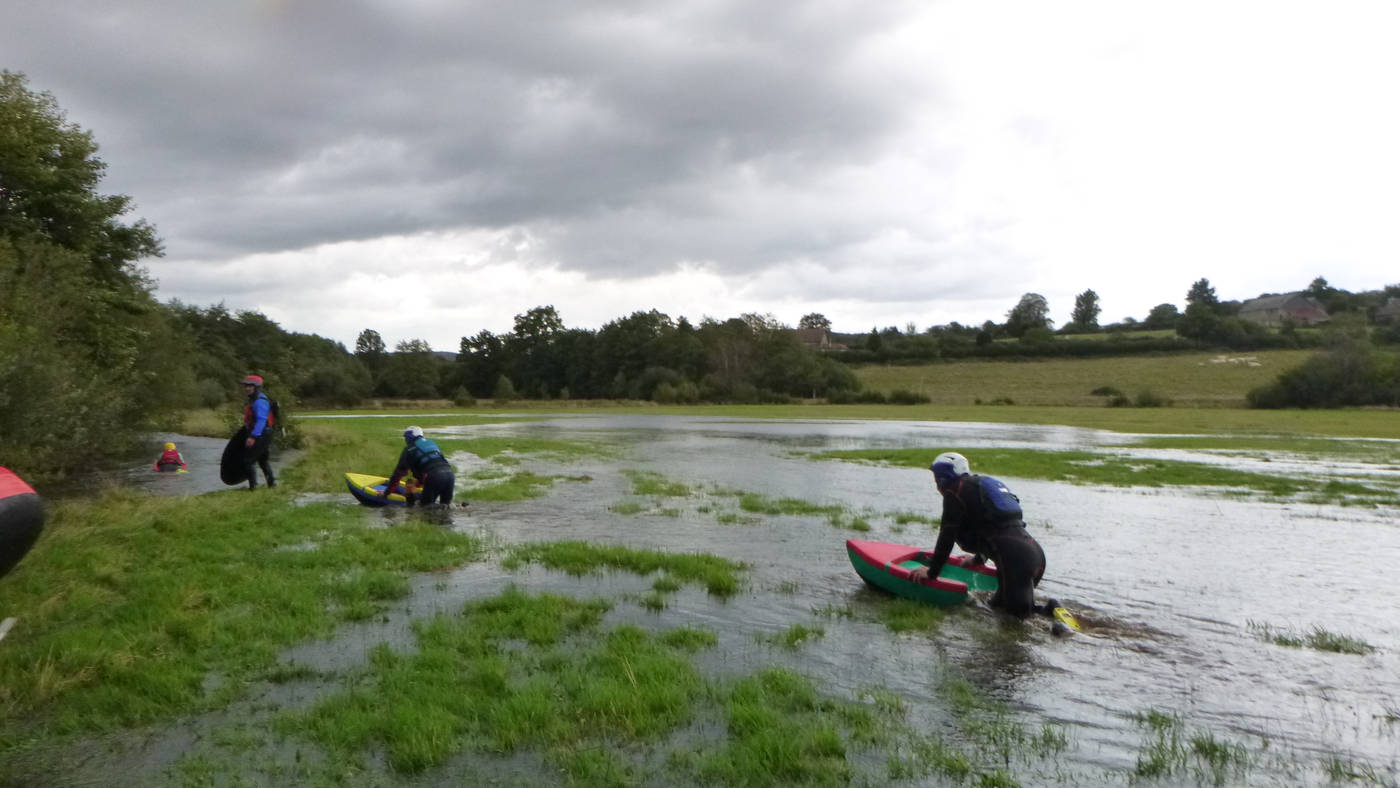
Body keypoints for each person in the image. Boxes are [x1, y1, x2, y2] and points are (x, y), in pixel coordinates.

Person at [907, 452, 1056, 620]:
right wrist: (978, 559)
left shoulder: (955, 491)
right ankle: (1052, 613)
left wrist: (932, 572)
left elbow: (947, 535)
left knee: (1016, 624)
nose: (936, 484)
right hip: (1031, 554)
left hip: (1016, 561)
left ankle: (1059, 622)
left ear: (943, 477)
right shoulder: (976, 487)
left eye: (936, 478)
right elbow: (994, 530)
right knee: (996, 609)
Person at [382, 426, 454, 506]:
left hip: (434, 476)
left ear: (410, 438)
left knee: (425, 508)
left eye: (406, 437)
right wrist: (419, 483)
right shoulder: (431, 443)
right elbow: (430, 464)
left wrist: (386, 493)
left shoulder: (409, 449)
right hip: (450, 475)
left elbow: (398, 474)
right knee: (446, 506)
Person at [241, 374, 276, 490]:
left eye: (250, 386)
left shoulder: (260, 402)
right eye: (246, 386)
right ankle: (272, 484)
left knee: (248, 461)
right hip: (264, 434)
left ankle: (253, 488)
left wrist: (252, 437)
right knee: (262, 460)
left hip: (261, 434)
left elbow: (261, 420)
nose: (247, 388)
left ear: (257, 387)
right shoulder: (256, 399)